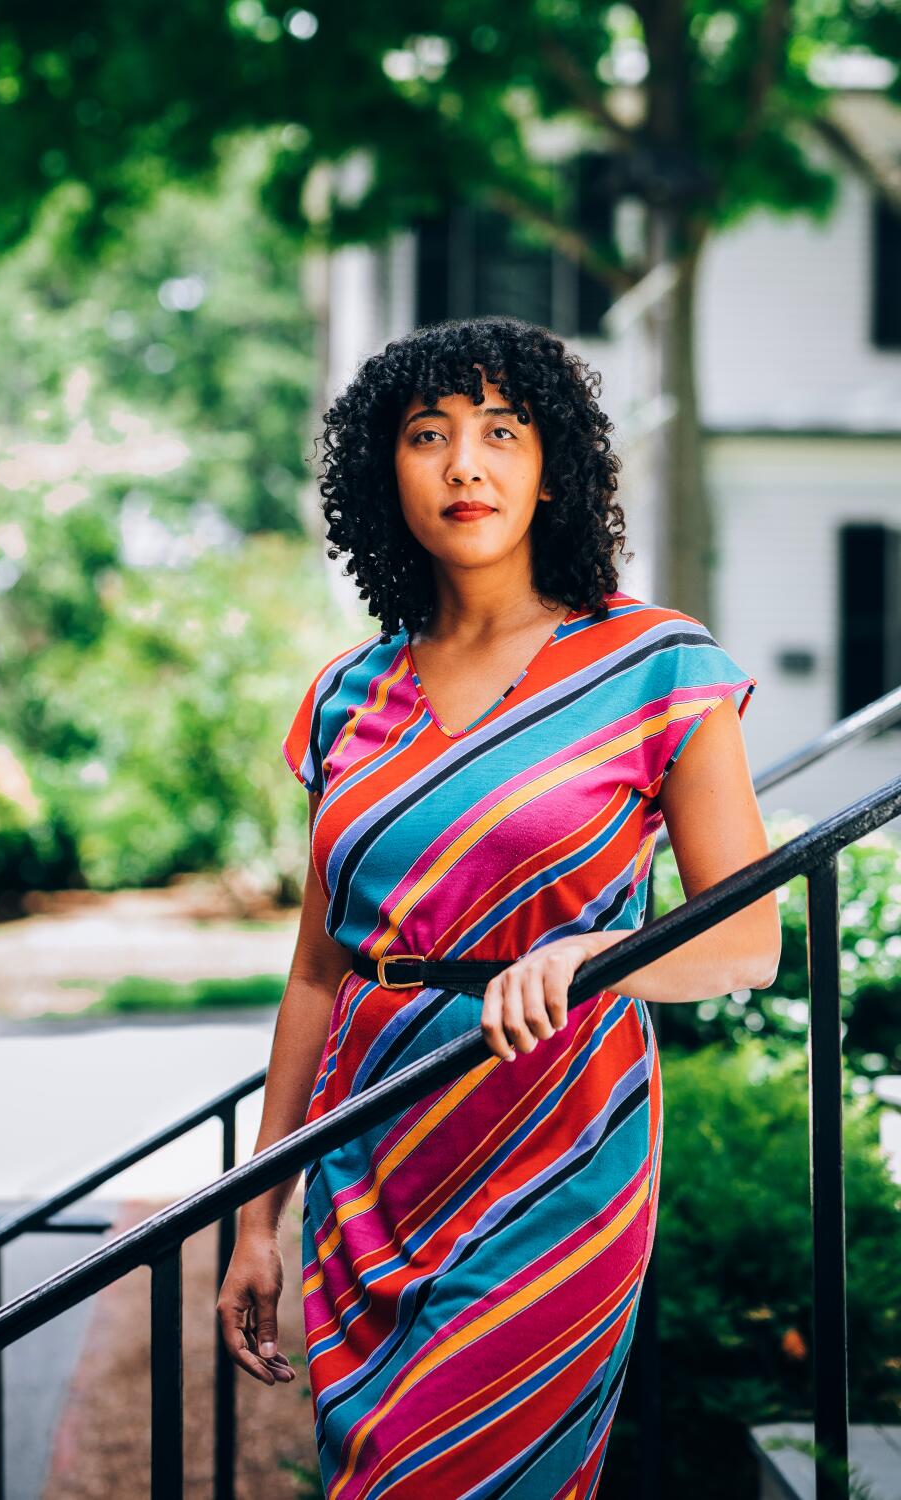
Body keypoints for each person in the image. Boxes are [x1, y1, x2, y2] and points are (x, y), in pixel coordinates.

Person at [216, 315, 781, 1499]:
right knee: (367, 1468)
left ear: (552, 463)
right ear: (386, 474)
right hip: (367, 1154)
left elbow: (746, 940)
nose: (465, 464)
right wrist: (255, 1216)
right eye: (429, 436)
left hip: (558, 1145)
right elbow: (318, 976)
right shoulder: (345, 697)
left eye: (501, 432)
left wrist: (599, 955)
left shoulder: (656, 664)